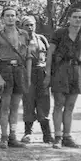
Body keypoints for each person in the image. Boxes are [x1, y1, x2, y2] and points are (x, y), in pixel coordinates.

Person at [44, 8, 81, 148]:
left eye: (80, 17)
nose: (77, 20)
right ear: (69, 19)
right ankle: (57, 136)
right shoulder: (59, 33)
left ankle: (67, 136)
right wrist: (47, 73)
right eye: (75, 17)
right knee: (59, 104)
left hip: (76, 70)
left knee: (70, 106)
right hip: (60, 70)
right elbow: (50, 53)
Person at [0, 7, 32, 149]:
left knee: (15, 106)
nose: (10, 18)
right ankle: (4, 138)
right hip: (4, 70)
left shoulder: (24, 34)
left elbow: (28, 57)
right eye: (7, 16)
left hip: (19, 70)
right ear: (2, 18)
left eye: (13, 15)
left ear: (16, 17)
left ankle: (13, 136)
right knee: (5, 107)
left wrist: (28, 76)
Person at [20, 16, 53, 144]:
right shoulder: (19, 40)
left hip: (42, 73)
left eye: (31, 25)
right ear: (22, 27)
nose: (29, 27)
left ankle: (47, 135)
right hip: (26, 74)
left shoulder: (42, 39)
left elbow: (49, 56)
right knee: (28, 102)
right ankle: (28, 133)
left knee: (44, 102)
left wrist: (49, 75)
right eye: (26, 25)